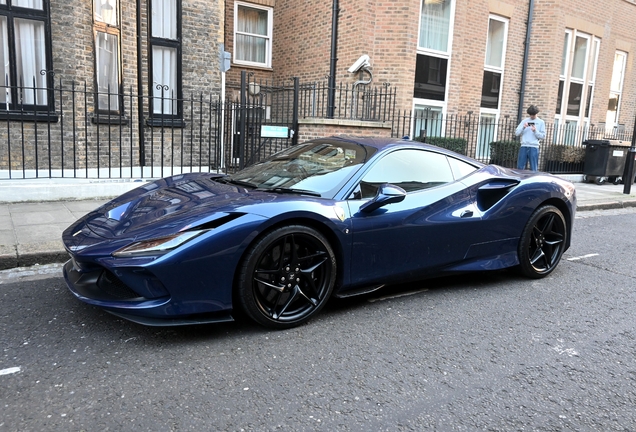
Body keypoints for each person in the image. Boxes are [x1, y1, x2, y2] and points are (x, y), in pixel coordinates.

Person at [515, 105, 545, 171]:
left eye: (533, 115)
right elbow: (517, 133)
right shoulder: (524, 121)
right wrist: (523, 127)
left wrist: (535, 131)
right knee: (520, 167)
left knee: (533, 168)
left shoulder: (541, 122)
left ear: (536, 113)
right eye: (530, 115)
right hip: (524, 146)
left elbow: (543, 136)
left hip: (534, 147)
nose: (532, 116)